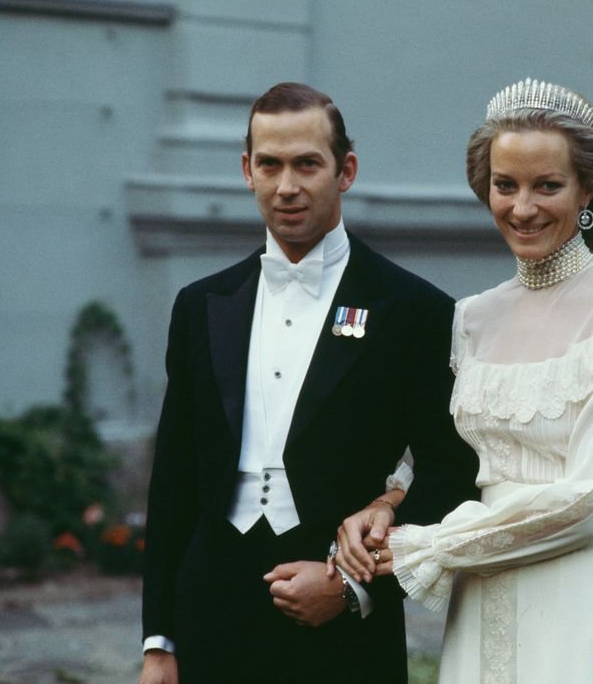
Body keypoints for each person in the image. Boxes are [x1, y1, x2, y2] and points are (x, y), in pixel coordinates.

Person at [334, 78, 593, 683]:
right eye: (506, 185)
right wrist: (389, 502)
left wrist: (429, 548)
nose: (522, 208)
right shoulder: (471, 318)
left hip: (577, 605)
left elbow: (590, 504)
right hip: (481, 602)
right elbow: (452, 450)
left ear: (586, 190)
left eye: (547, 186)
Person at [138, 82, 478, 684]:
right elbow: (174, 482)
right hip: (210, 609)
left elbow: (451, 471)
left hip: (339, 621)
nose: (286, 186)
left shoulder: (414, 310)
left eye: (307, 165)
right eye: (269, 164)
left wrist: (353, 587)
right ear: (247, 170)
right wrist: (160, 642)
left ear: (345, 171)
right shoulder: (201, 305)